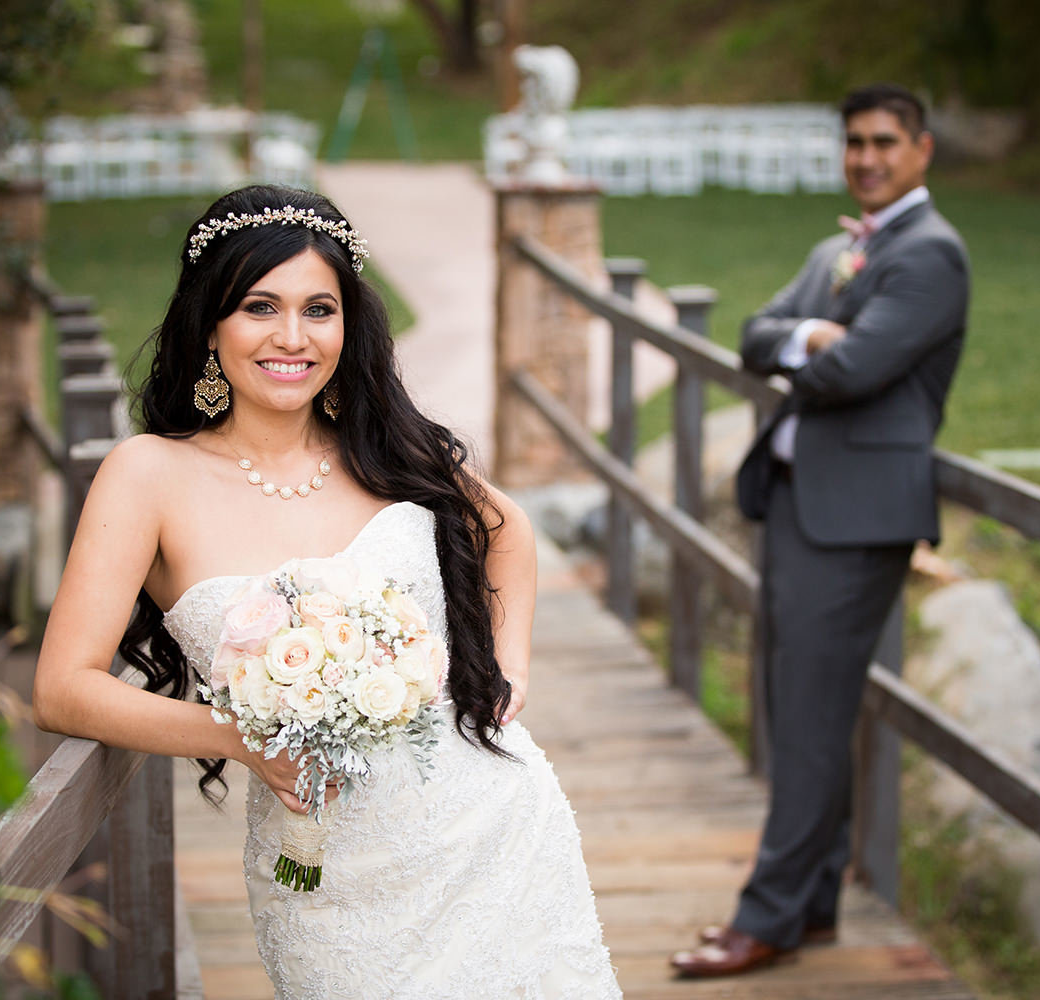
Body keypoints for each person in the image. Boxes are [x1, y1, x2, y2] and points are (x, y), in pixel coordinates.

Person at [32, 185, 622, 998]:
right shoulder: (147, 476)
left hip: (491, 828)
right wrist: (243, 738)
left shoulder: (384, 447)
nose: (292, 338)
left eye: (319, 309)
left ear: (349, 324)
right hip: (325, 873)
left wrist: (509, 666)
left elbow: (508, 534)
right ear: (211, 322)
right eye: (259, 307)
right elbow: (63, 689)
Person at [670, 83, 970, 978]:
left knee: (804, 718)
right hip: (805, 503)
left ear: (921, 151)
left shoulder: (931, 255)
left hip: (856, 520)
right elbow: (755, 337)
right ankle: (816, 906)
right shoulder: (841, 249)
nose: (867, 157)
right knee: (801, 708)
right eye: (854, 143)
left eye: (885, 141)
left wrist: (813, 347)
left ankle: (763, 919)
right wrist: (811, 331)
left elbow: (857, 372)